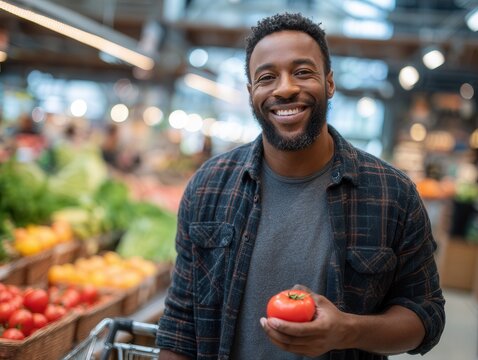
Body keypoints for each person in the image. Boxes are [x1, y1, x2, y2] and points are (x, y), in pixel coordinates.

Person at [156, 13, 445, 360]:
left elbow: (426, 317)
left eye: (303, 72)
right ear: (252, 93)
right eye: (267, 77)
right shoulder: (208, 187)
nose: (285, 88)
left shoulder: (393, 194)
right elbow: (179, 324)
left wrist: (347, 330)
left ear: (330, 82)